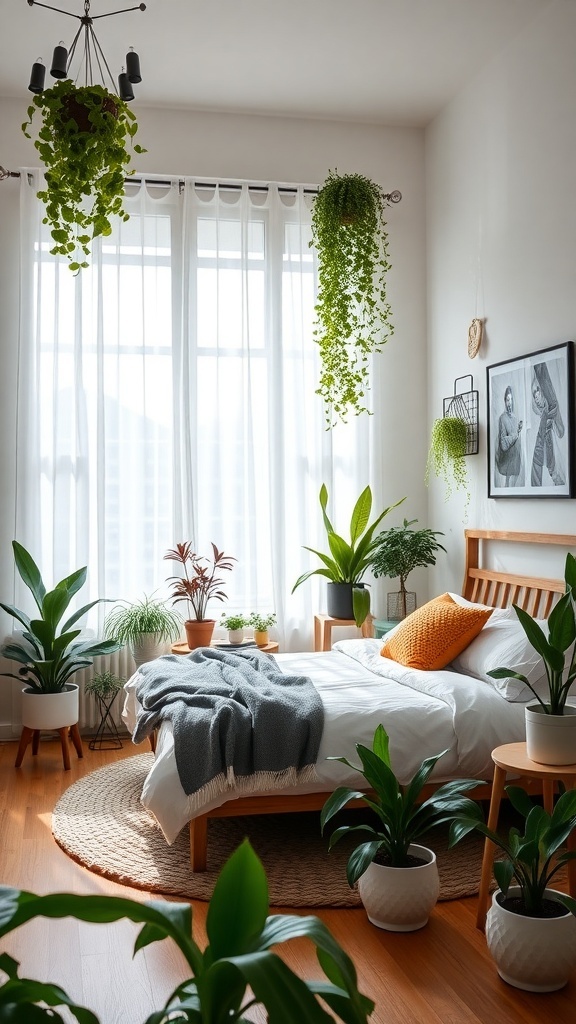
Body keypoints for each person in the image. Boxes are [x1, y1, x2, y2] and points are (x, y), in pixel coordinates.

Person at [530, 362, 565, 487]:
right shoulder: (538, 414)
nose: (536, 397)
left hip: (549, 448)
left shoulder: (549, 408)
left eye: (537, 393)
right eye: (534, 396)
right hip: (541, 453)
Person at [495, 385, 523, 486]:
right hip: (506, 463)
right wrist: (515, 435)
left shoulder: (517, 418)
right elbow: (503, 443)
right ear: (505, 401)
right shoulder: (502, 418)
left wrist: (518, 431)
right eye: (507, 400)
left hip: (516, 462)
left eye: (511, 399)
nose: (509, 402)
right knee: (507, 486)